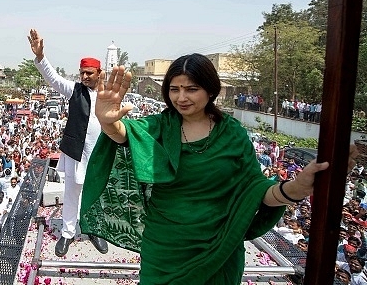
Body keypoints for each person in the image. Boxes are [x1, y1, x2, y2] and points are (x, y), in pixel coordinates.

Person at [80, 54, 358, 284]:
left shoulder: (232, 135)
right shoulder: (159, 126)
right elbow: (123, 134)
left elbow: (256, 191)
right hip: (166, 247)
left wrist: (296, 189)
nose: (181, 98)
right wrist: (107, 122)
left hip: (218, 247)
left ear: (211, 90)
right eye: (174, 89)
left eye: (191, 89)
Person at [28, 28, 108, 257]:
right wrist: (41, 57)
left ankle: (94, 230)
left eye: (89, 73)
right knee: (71, 194)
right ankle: (67, 232)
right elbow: (52, 78)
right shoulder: (74, 90)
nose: (84, 77)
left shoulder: (108, 94)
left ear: (99, 73)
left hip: (99, 154)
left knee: (96, 195)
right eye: (82, 73)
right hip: (76, 153)